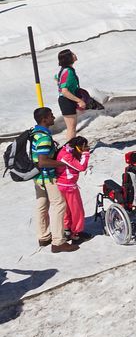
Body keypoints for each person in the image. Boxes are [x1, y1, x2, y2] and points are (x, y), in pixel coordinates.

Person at [29, 107, 77, 252]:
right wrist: (64, 163)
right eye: (51, 116)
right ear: (44, 119)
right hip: (47, 177)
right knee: (59, 204)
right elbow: (43, 161)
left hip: (37, 177)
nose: (54, 118)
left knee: (42, 205)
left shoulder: (35, 133)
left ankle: (43, 237)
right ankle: (58, 242)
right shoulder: (44, 137)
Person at [55, 136, 92, 244]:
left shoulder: (65, 150)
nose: (86, 148)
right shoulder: (66, 155)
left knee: (68, 210)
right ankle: (77, 233)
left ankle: (67, 230)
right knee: (77, 211)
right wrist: (85, 154)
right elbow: (81, 167)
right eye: (83, 147)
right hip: (69, 186)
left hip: (62, 185)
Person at [55, 49, 86, 143]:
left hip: (67, 100)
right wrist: (79, 101)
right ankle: (70, 150)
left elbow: (56, 78)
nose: (74, 54)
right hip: (66, 100)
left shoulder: (65, 70)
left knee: (72, 127)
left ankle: (70, 148)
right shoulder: (68, 71)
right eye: (72, 54)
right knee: (71, 128)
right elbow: (64, 91)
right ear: (68, 58)